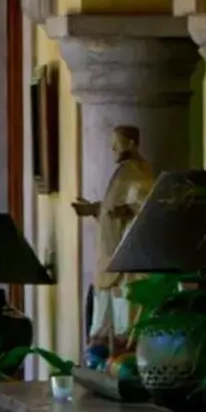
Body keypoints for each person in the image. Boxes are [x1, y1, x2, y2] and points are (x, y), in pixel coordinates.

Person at [73, 124, 153, 357]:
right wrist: (93, 209)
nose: (113, 149)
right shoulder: (122, 171)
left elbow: (145, 206)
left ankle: (120, 357)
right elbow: (112, 209)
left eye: (117, 144)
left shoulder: (139, 171)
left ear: (131, 144)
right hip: (108, 255)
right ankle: (102, 356)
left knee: (123, 318)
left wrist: (125, 211)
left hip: (125, 260)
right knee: (102, 316)